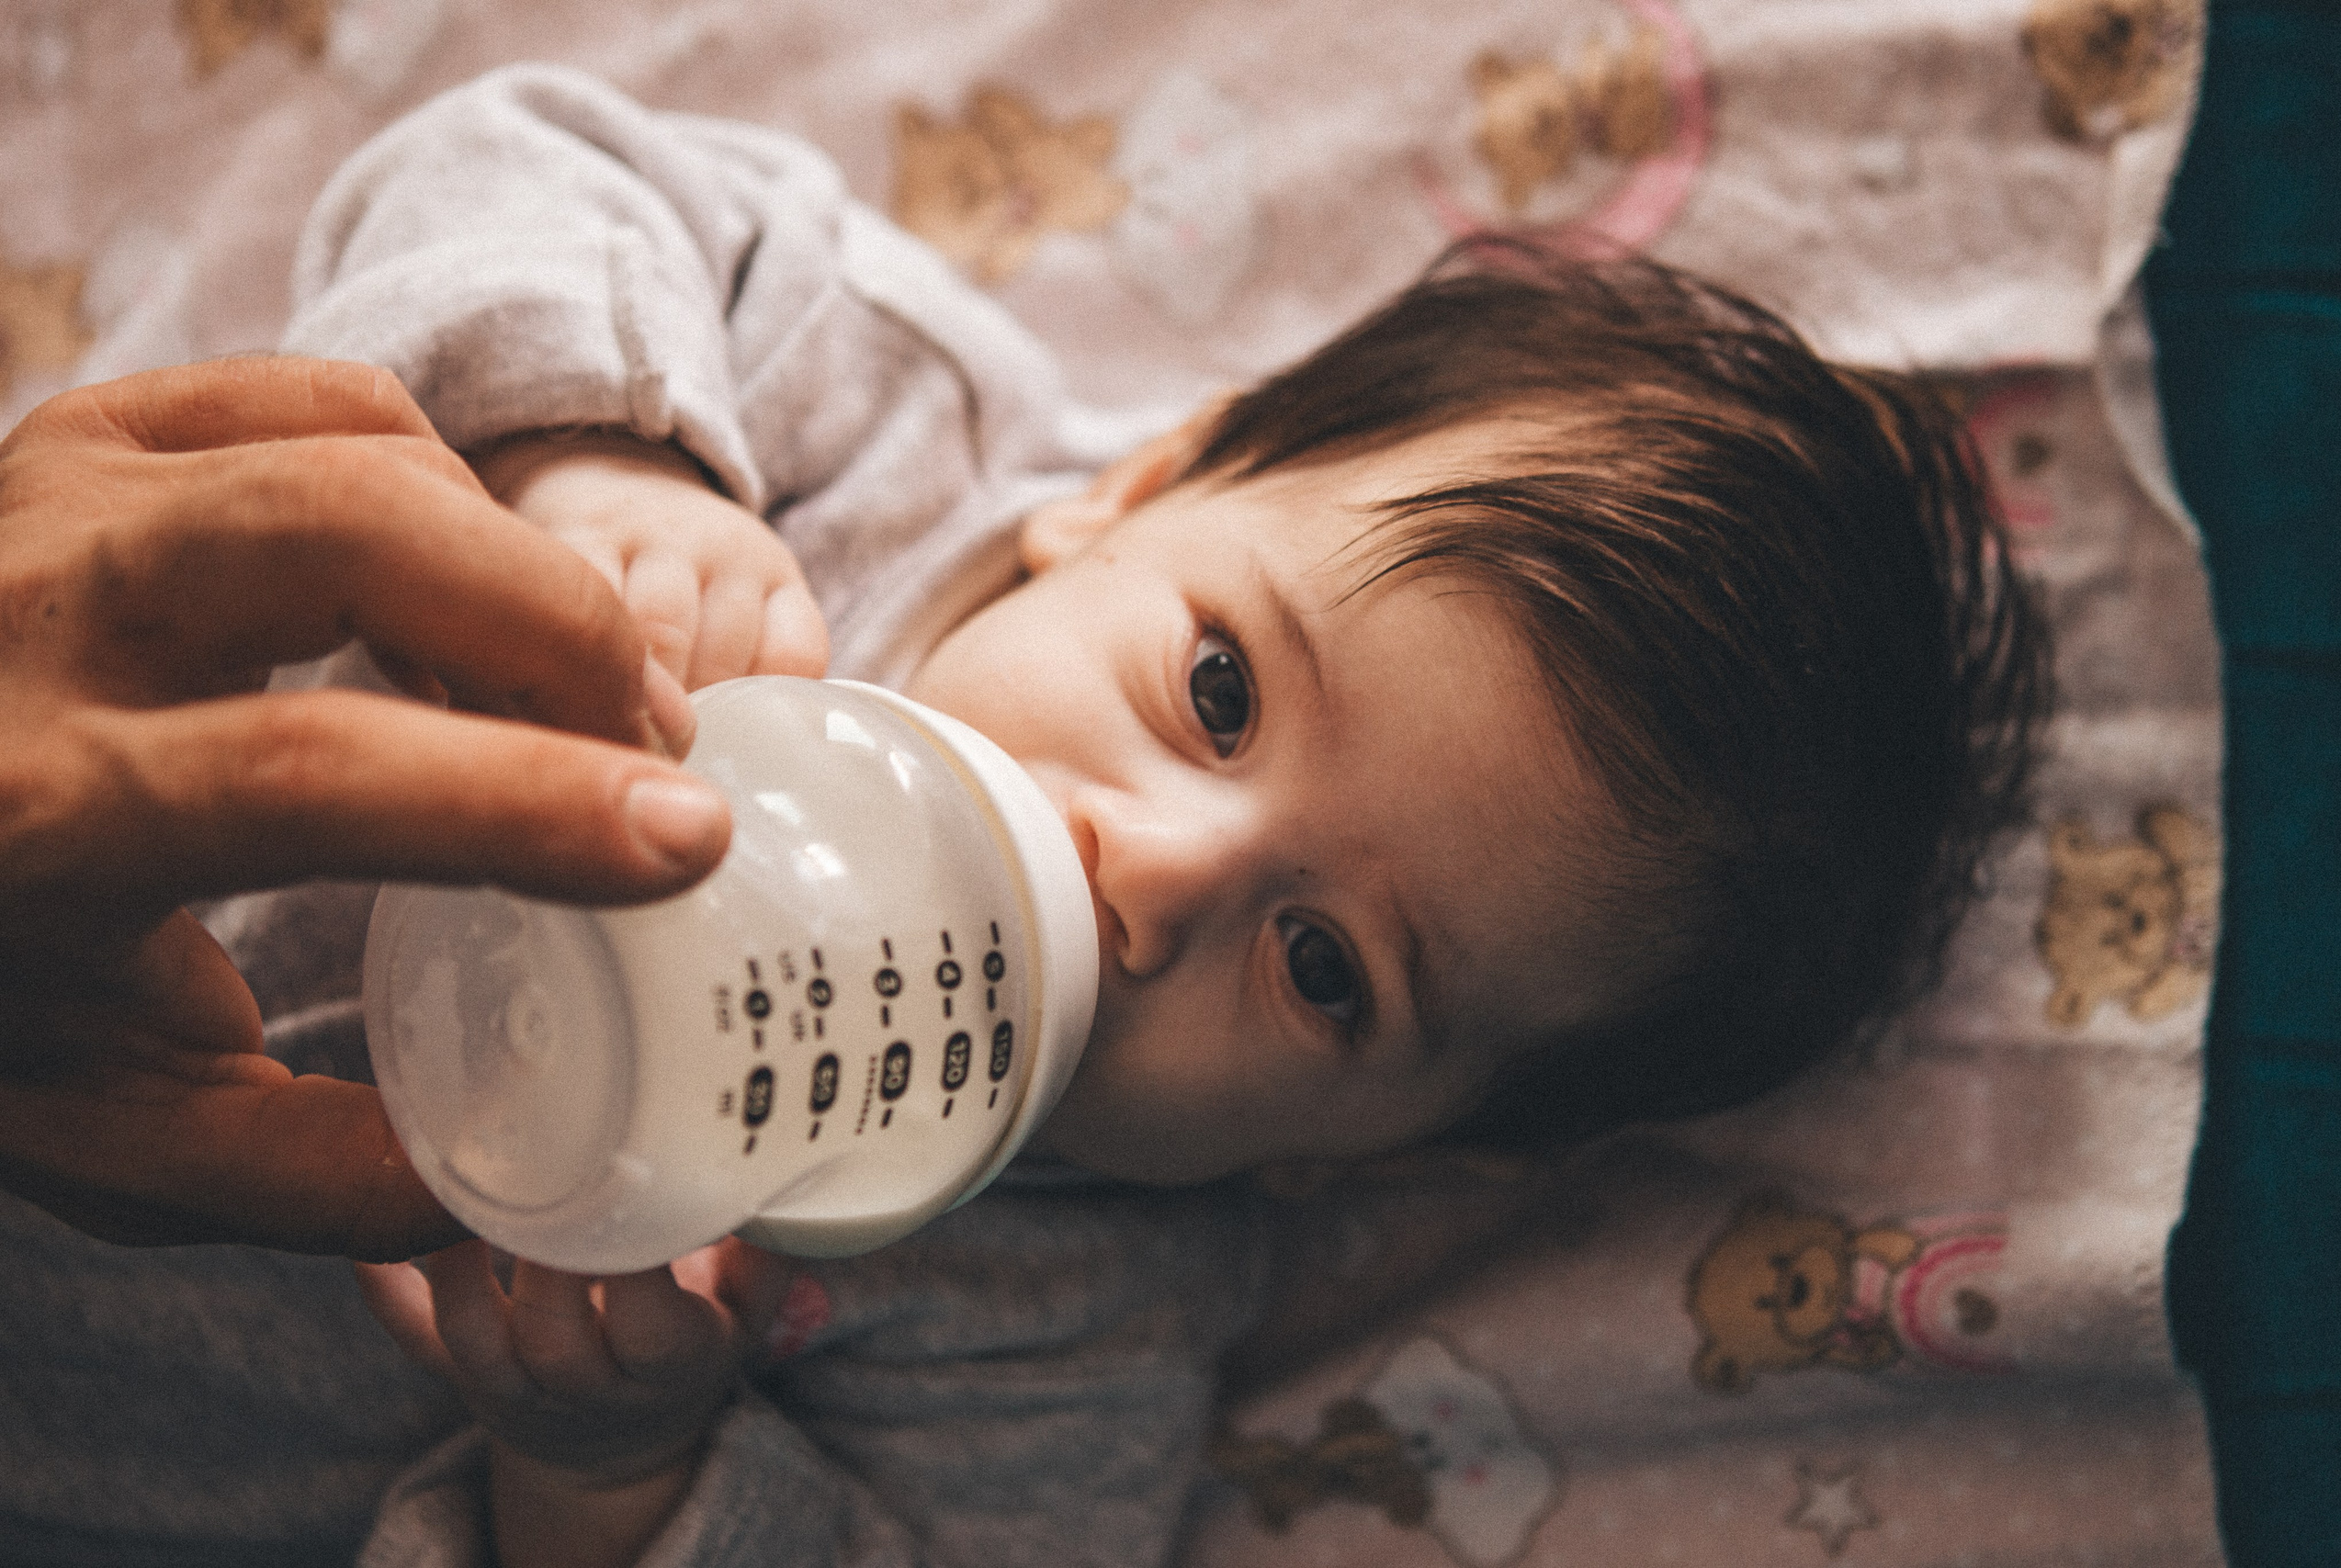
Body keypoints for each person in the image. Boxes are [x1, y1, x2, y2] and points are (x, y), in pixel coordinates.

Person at [222, 62, 2048, 1568]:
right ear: (1144, 481)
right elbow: (516, 153)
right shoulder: (857, 429)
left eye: (1327, 971)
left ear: (1387, 1150)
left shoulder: (1062, 1325)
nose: (1148, 876)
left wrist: (613, 1478)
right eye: (1221, 691)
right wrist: (596, 457)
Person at [0, 353, 740, 1263]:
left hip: (207, 1250)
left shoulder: (915, 1237)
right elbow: (565, 222)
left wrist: (642, 1396)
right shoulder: (925, 434)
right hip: (133, 610)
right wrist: (599, 458)